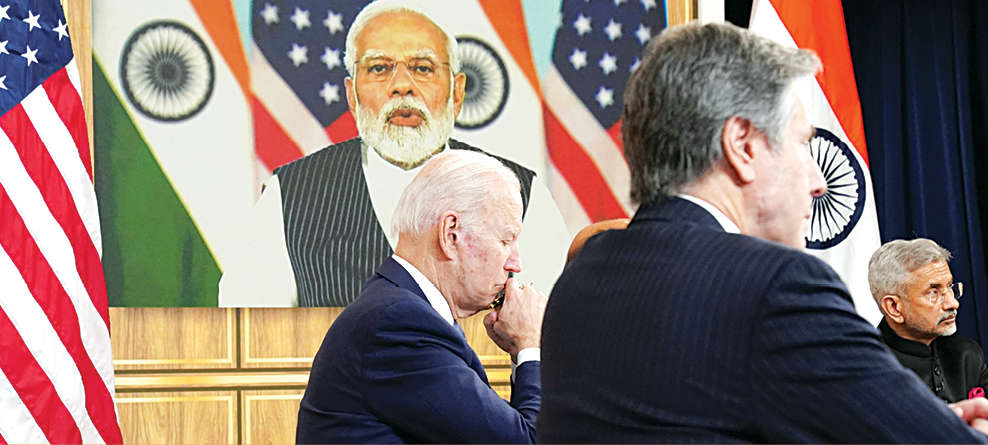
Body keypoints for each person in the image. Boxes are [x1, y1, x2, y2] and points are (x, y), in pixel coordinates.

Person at [537, 21, 988, 443]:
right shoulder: (776, 286)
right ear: (743, 146)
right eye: (802, 144)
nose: (818, 181)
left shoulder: (582, 276)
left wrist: (911, 419)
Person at [218, 0, 568, 307]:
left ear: (457, 93)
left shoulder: (523, 193)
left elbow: (556, 330)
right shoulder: (290, 194)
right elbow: (249, 329)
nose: (402, 86)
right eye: (379, 68)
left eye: (422, 68)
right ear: (352, 95)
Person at [295, 150, 546, 443]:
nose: (515, 264)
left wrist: (521, 351)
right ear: (451, 234)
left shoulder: (405, 314)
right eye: (506, 240)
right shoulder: (398, 324)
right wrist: (530, 345)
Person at [869, 238, 988, 402]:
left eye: (950, 287)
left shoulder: (965, 354)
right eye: (933, 293)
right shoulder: (867, 371)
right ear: (894, 307)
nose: (953, 303)